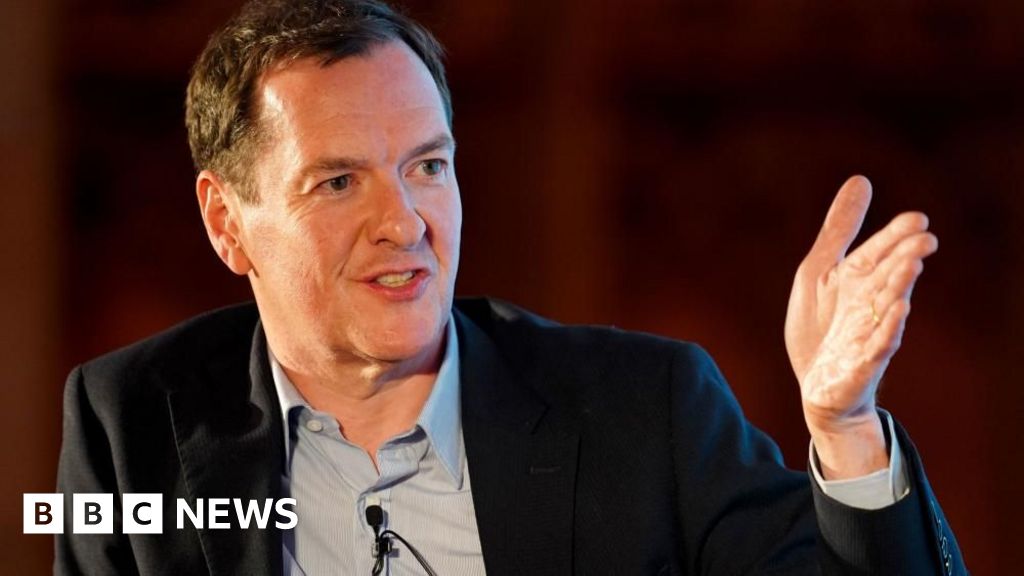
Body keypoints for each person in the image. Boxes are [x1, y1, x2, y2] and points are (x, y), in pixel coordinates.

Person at [55, 0, 966, 574]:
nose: (404, 222)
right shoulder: (131, 422)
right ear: (226, 222)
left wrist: (845, 431)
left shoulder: (644, 411)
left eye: (427, 166)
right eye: (338, 182)